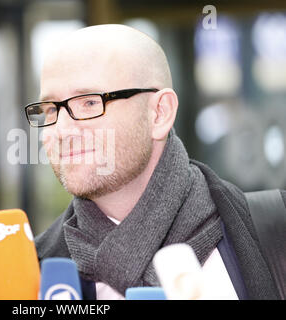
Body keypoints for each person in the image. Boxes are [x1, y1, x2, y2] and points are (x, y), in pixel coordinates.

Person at [26, 24, 283, 300]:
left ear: (159, 113)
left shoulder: (276, 230)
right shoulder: (32, 275)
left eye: (89, 102)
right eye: (51, 109)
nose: (62, 131)